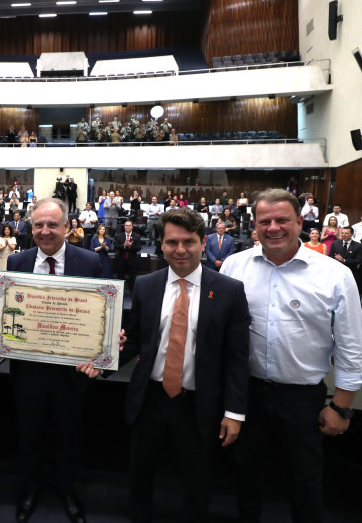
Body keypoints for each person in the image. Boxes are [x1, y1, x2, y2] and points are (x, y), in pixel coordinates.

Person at [220, 189, 362, 523]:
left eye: (282, 220)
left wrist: (341, 407)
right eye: (265, 221)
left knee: (305, 481)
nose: (273, 228)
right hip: (246, 395)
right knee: (246, 477)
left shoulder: (334, 275)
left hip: (303, 399)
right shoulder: (234, 266)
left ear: (300, 221)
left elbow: (351, 345)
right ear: (254, 225)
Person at [122, 207, 250, 523]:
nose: (180, 250)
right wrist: (102, 361)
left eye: (189, 242)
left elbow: (237, 357)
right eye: (172, 242)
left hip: (199, 405)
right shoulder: (145, 285)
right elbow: (135, 341)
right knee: (140, 476)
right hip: (149, 399)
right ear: (161, 245)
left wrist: (234, 413)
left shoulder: (229, 291)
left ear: (203, 243)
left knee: (197, 481)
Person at [5, 198, 103, 523]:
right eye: (38, 225)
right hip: (28, 370)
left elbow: (103, 315)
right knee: (29, 434)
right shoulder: (17, 262)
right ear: (30, 227)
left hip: (71, 372)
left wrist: (106, 342)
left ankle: (67, 488)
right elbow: (10, 310)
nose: (45, 231)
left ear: (67, 227)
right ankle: (30, 489)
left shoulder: (91, 262)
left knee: (68, 435)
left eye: (52, 225)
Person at [329, 226, 362, 293]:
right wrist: (337, 259)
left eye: (346, 233)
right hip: (336, 272)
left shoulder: (358, 246)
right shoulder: (335, 243)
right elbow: (330, 256)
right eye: (342, 233)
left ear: (352, 234)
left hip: (350, 273)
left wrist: (344, 260)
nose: (343, 235)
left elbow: (359, 261)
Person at [115, 219, 142, 291]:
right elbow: (116, 246)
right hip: (121, 260)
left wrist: (130, 246)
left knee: (132, 278)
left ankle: (132, 294)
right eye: (126, 225)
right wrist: (124, 245)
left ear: (132, 227)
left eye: (129, 226)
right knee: (120, 278)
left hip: (132, 261)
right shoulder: (119, 236)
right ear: (124, 227)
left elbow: (139, 248)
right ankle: (120, 294)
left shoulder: (137, 236)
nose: (128, 227)